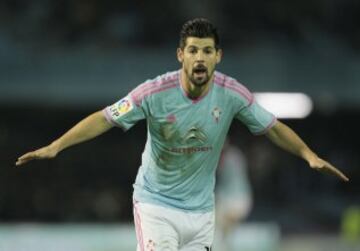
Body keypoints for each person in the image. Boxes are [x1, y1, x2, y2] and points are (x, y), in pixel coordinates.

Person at [16, 18, 349, 251]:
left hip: (202, 213)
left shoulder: (232, 93)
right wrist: (57, 146)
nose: (199, 58)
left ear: (217, 56)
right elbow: (105, 118)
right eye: (193, 50)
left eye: (207, 50)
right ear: (181, 55)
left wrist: (308, 154)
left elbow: (273, 127)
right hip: (155, 205)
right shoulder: (153, 93)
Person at [215, 138, 252, 251]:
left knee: (217, 223)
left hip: (235, 201)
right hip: (241, 199)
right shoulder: (236, 154)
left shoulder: (228, 158)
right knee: (224, 229)